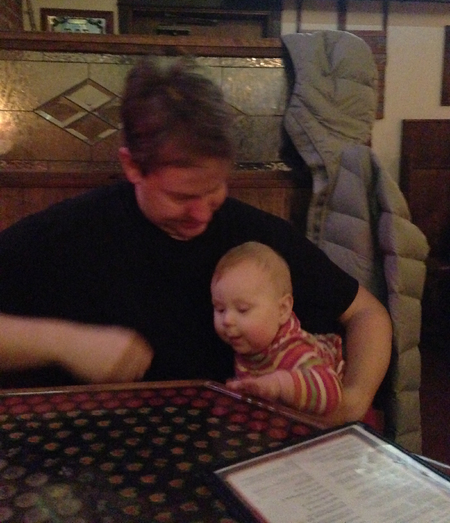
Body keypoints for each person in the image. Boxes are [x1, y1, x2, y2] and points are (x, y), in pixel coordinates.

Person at [0, 57, 392, 427]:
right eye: (182, 197)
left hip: (234, 441)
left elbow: (367, 315)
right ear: (132, 166)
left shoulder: (256, 237)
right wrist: (64, 342)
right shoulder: (67, 233)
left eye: (215, 189)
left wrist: (354, 400)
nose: (202, 214)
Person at [211, 242, 345, 415]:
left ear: (282, 310)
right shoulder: (252, 346)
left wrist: (279, 385)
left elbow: (333, 393)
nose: (227, 320)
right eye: (220, 309)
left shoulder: (294, 349)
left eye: (243, 309)